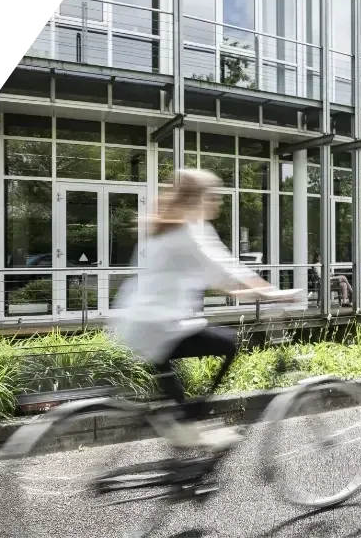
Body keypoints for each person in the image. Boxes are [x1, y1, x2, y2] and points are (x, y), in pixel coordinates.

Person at [111, 169, 292, 451]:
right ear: (199, 199)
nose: (217, 204)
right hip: (160, 325)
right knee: (230, 343)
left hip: (140, 321)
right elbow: (228, 269)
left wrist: (253, 293)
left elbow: (223, 284)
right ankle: (190, 423)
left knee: (175, 368)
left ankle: (186, 423)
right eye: (214, 197)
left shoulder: (166, 225)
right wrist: (274, 293)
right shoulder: (190, 232)